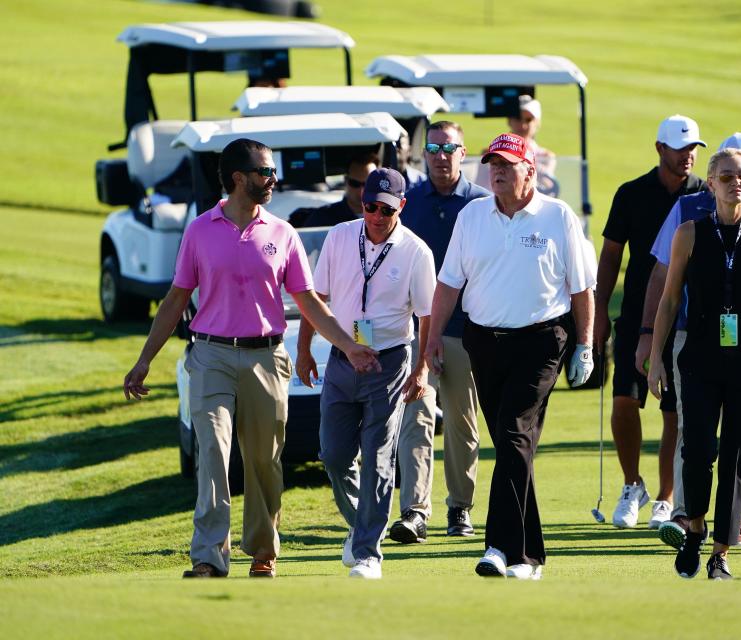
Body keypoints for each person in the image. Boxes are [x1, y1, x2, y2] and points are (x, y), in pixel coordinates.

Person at [122, 138, 379, 580]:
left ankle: (263, 551)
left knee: (264, 460)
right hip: (210, 356)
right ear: (239, 179)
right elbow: (175, 299)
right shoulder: (200, 230)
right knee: (213, 454)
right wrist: (145, 359)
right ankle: (208, 555)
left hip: (266, 357)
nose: (273, 179)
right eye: (265, 172)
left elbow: (312, 303)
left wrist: (348, 343)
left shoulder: (283, 233)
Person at [425, 132, 596, 580]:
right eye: (492, 164)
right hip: (484, 341)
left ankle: (503, 549)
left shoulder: (558, 217)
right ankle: (531, 555)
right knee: (510, 445)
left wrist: (585, 345)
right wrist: (432, 339)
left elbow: (582, 289)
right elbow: (448, 284)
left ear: (530, 169)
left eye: (507, 163)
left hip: (542, 340)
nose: (496, 170)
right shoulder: (472, 216)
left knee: (513, 432)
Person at [640, 132, 741, 549]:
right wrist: (656, 357)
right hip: (698, 354)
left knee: (738, 451)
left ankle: (722, 550)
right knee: (697, 448)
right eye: (728, 176)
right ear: (710, 183)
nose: (738, 183)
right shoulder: (690, 233)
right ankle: (693, 524)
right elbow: (669, 299)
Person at [296, 167, 436, 579]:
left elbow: (428, 317)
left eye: (386, 209)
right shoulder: (339, 236)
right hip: (341, 357)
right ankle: (362, 527)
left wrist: (423, 367)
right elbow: (315, 299)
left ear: (401, 207)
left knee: (377, 455)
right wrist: (304, 350)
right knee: (335, 454)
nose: (376, 215)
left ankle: (368, 552)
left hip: (389, 362)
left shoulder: (416, 252)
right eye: (370, 206)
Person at [594, 114, 706, 530]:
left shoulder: (704, 195)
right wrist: (600, 309)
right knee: (625, 400)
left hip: (687, 321)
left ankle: (665, 496)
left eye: (694, 148)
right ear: (660, 149)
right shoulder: (631, 194)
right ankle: (631, 483)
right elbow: (610, 255)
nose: (689, 155)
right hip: (636, 317)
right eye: (681, 148)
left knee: (674, 409)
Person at [387, 121, 490, 544]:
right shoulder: (407, 204)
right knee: (417, 417)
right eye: (433, 147)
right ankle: (415, 511)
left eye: (449, 148)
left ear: (463, 153)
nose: (441, 155)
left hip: (466, 331)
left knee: (463, 422)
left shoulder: (482, 204)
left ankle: (460, 508)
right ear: (423, 154)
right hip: (417, 329)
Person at [289, 155, 378, 228]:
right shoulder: (321, 217)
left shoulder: (385, 216)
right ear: (345, 180)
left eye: (367, 184)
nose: (361, 190)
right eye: (355, 183)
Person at [507, 95, 558, 196]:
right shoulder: (492, 154)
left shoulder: (546, 156)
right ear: (509, 121)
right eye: (518, 118)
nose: (523, 125)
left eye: (528, 120)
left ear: (537, 122)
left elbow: (547, 188)